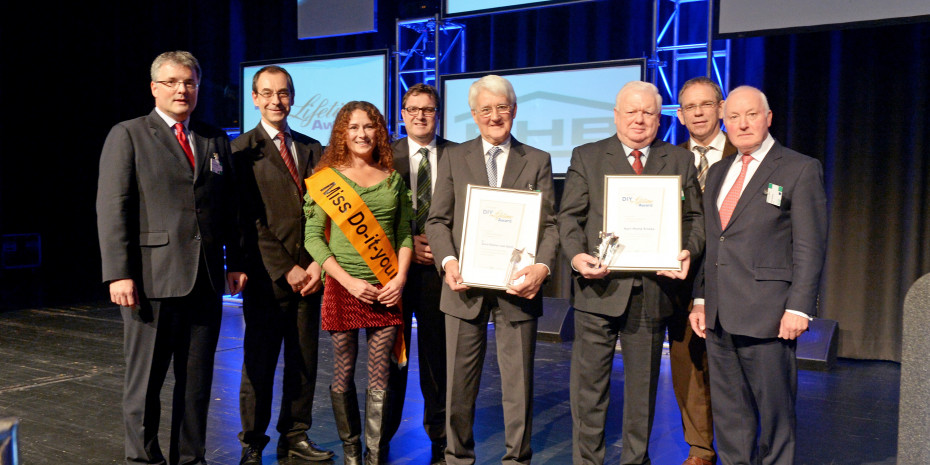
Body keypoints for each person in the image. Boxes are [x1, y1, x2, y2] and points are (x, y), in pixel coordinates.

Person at [96, 50, 248, 465]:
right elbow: (113, 207)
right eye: (173, 82)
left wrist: (234, 261)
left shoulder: (214, 138)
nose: (182, 90)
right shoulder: (128, 134)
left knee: (197, 381)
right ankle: (143, 459)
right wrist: (118, 274)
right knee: (145, 381)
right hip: (150, 279)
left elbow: (228, 207)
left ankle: (190, 457)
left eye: (190, 82)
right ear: (154, 88)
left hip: (206, 280)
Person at [558, 80, 704, 465]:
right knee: (589, 392)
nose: (639, 119)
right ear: (617, 115)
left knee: (642, 394)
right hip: (597, 289)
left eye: (649, 112)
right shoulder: (587, 156)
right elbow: (569, 218)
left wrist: (687, 249)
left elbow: (696, 220)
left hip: (653, 292)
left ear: (660, 118)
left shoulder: (679, 159)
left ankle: (635, 462)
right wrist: (576, 258)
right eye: (632, 111)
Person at [425, 74, 559, 465]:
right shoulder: (453, 156)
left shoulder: (537, 160)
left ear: (513, 111)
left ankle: (517, 460)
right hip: (463, 287)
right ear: (473, 114)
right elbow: (437, 221)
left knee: (518, 387)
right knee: (458, 388)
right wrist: (448, 262)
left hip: (518, 289)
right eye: (486, 109)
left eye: (502, 107)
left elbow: (549, 225)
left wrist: (542, 267)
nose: (495, 115)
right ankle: (457, 458)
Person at [690, 85, 827, 465]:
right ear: (724, 121)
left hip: (769, 314)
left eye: (751, 114)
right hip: (718, 316)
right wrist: (700, 299)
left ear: (768, 118)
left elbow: (809, 245)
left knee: (775, 415)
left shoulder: (799, 168)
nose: (742, 123)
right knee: (731, 416)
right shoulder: (718, 172)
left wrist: (799, 307)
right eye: (733, 117)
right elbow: (713, 242)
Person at [231, 65, 333, 464]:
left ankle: (295, 435)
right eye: (267, 93)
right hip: (267, 277)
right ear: (254, 98)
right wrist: (284, 267)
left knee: (304, 361)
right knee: (259, 364)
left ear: (293, 97)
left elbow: (324, 213)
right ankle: (252, 443)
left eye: (284, 93)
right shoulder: (240, 150)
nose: (277, 100)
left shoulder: (313, 148)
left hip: (310, 276)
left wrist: (314, 265)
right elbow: (246, 219)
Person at [303, 101, 413, 465]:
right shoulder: (327, 179)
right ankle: (352, 452)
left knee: (381, 372)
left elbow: (404, 235)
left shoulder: (392, 178)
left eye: (368, 127)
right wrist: (348, 281)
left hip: (385, 287)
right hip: (342, 287)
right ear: (342, 134)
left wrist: (399, 278)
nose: (361, 134)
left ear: (378, 131)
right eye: (353, 128)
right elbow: (313, 238)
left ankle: (375, 455)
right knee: (343, 369)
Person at [384, 83, 457, 464]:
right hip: (393, 274)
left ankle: (440, 441)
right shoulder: (383, 155)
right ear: (402, 113)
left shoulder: (459, 155)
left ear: (438, 113)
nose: (420, 115)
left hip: (439, 276)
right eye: (412, 109)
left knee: (437, 363)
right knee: (391, 361)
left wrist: (443, 247)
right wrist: (410, 243)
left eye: (427, 109)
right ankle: (380, 439)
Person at [668, 76, 737, 465]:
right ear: (680, 115)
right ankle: (700, 447)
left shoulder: (743, 154)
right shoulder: (669, 159)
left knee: (730, 366)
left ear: (721, 108)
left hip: (733, 278)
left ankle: (735, 444)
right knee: (688, 363)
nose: (697, 113)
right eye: (690, 107)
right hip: (682, 277)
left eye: (705, 105)